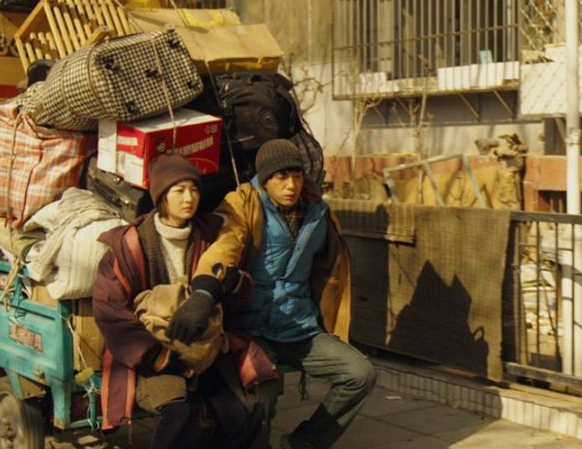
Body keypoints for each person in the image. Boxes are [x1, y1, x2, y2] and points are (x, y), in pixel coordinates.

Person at [167, 139, 377, 449]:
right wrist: (203, 294)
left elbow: (330, 269)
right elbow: (224, 248)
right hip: (253, 329)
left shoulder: (318, 214)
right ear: (265, 179)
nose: (291, 185)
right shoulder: (244, 204)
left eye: (296, 175)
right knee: (263, 394)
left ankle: (304, 442)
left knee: (361, 374)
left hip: (300, 328)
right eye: (281, 177)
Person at [92, 152, 252, 449]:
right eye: (178, 191)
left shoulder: (210, 235)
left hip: (203, 349)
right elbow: (109, 310)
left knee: (237, 417)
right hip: (150, 352)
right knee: (180, 412)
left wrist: (235, 283)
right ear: (161, 197)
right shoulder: (130, 245)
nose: (189, 198)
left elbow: (238, 296)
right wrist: (157, 356)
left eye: (194, 189)